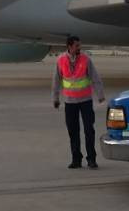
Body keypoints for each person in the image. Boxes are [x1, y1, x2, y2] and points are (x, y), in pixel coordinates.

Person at [53, 35, 105, 169]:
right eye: (77, 46)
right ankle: (76, 159)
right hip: (70, 103)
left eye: (79, 45)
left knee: (89, 130)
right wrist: (56, 98)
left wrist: (100, 94)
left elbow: (95, 77)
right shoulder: (61, 60)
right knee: (73, 132)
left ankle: (91, 159)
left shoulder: (86, 59)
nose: (79, 48)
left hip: (85, 101)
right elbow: (56, 81)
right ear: (69, 47)